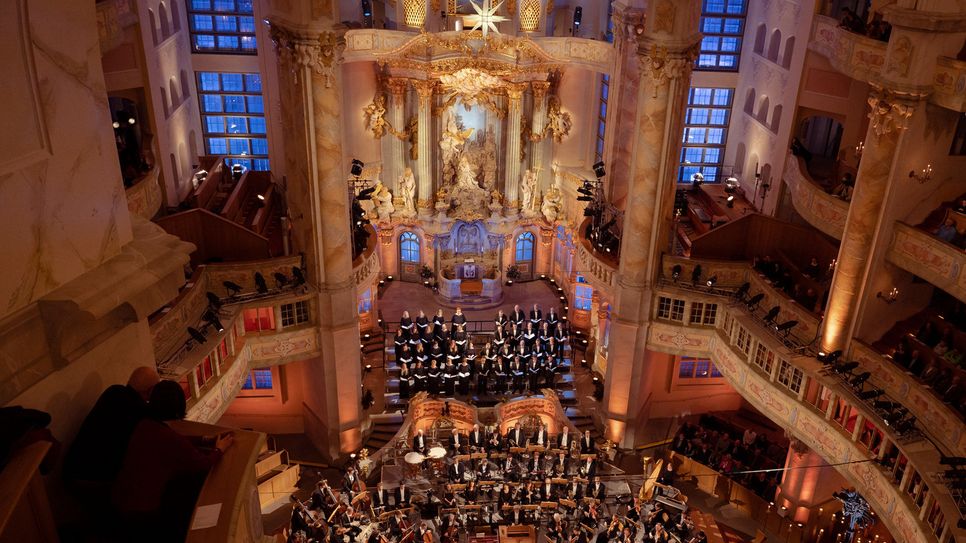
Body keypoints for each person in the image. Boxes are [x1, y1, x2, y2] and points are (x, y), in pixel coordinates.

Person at [112, 380, 233, 541]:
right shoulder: (168, 439)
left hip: (119, 497)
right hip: (142, 511)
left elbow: (173, 440)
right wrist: (219, 450)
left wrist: (203, 439)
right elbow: (202, 463)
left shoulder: (144, 424)